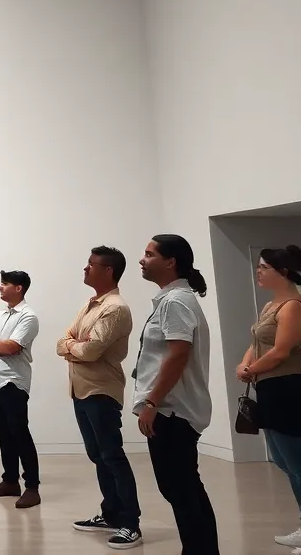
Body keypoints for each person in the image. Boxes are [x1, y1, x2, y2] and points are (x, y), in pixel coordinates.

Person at [132, 234, 218, 555]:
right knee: (183, 488)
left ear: (171, 262)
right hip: (171, 410)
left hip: (172, 412)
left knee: (180, 489)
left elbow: (178, 354)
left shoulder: (176, 302)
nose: (142, 259)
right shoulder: (174, 299)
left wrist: (152, 402)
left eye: (149, 254)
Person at [59, 246, 142, 549]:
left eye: (91, 265)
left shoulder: (115, 308)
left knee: (112, 456)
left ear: (108, 271)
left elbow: (92, 350)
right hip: (81, 390)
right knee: (98, 456)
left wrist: (73, 347)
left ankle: (131, 523)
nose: (85, 268)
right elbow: (63, 340)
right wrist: (72, 344)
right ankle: (111, 513)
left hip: (101, 390)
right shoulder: (91, 304)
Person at [237, 245, 301, 551]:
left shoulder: (293, 306)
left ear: (284, 272)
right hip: (270, 389)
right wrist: (245, 363)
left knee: (296, 461)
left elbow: (281, 351)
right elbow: (258, 341)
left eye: (264, 268)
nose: (258, 272)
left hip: (289, 389)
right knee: (283, 461)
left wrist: (251, 368)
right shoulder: (271, 306)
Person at [0, 270, 41, 508]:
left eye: (5, 284)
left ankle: (32, 487)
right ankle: (10, 481)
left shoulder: (28, 316)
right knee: (3, 434)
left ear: (19, 288)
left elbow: (13, 347)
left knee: (20, 433)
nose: (0, 288)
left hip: (13, 381)